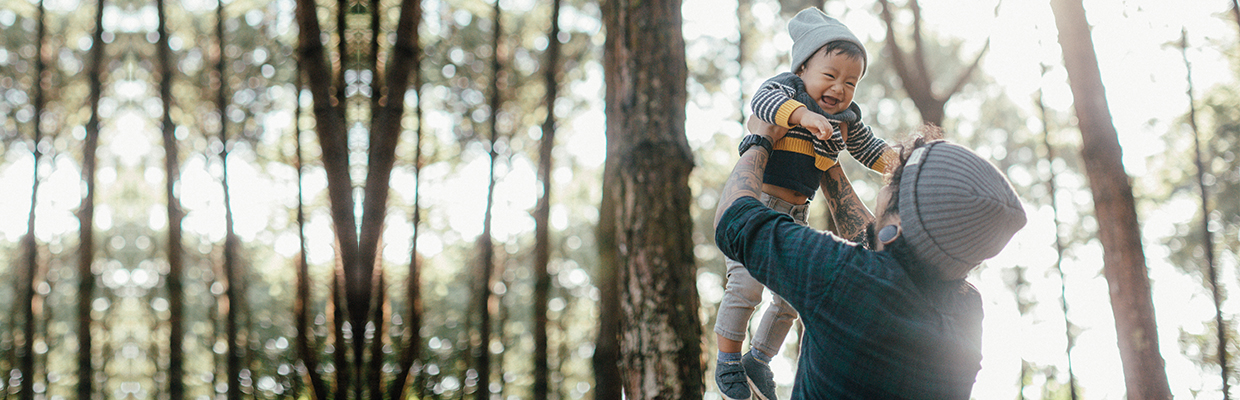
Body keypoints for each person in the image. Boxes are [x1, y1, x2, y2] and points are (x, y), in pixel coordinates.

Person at [713, 116, 1027, 399]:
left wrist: (761, 138)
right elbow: (880, 248)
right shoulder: (967, 311)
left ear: (899, 224)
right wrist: (826, 163)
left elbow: (733, 219)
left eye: (896, 180)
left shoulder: (840, 276)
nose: (887, 181)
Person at [714, 8, 898, 400]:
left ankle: (759, 358)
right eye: (830, 76)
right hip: (759, 201)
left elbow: (867, 149)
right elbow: (761, 103)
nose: (839, 88)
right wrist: (802, 116)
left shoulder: (846, 118)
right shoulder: (787, 90)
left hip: (796, 214)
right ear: (802, 70)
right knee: (746, 286)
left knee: (791, 296)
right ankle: (727, 357)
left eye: (851, 82)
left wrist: (898, 164)